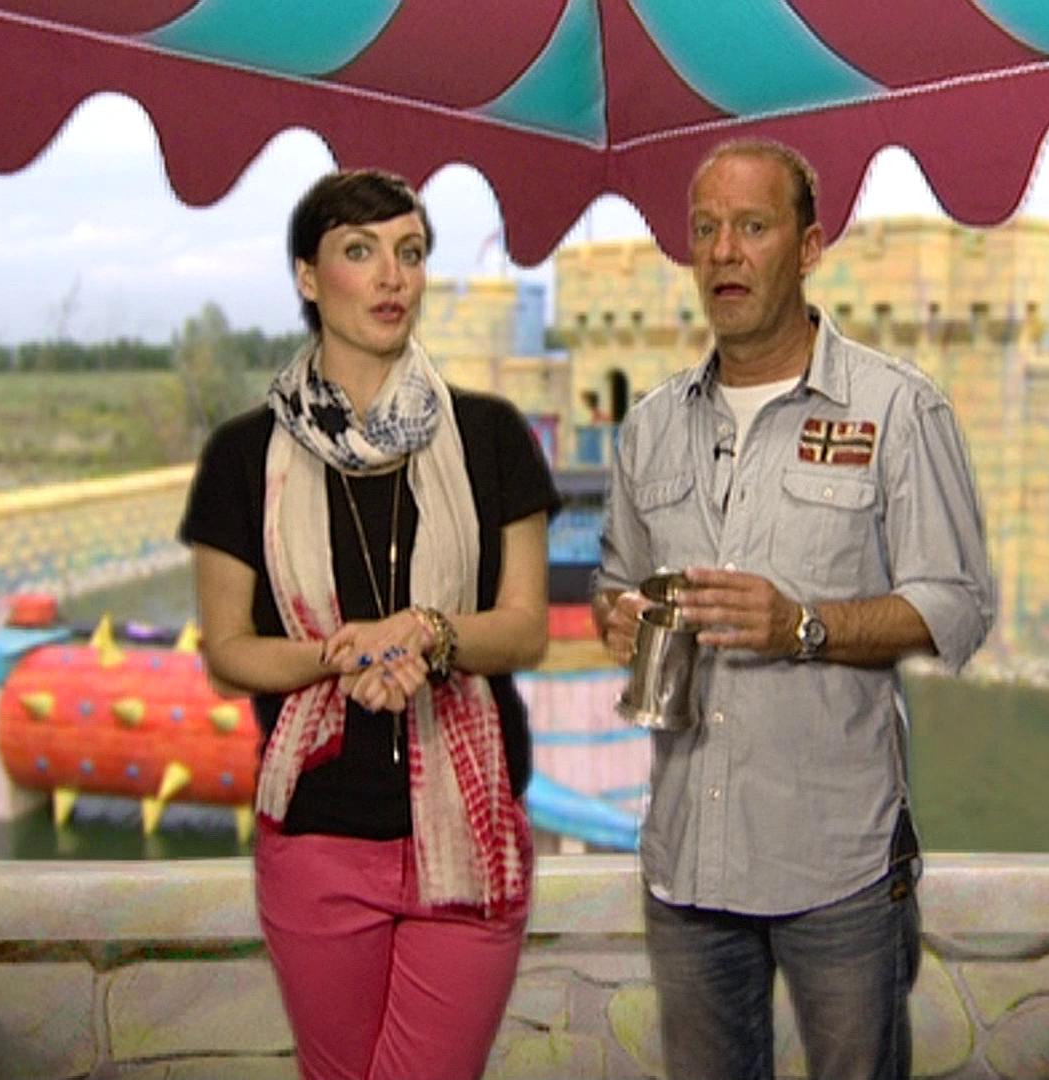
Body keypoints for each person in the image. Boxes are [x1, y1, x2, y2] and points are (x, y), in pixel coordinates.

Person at [592, 139, 996, 1078]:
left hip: (838, 871)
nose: (723, 252)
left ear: (809, 248)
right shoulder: (651, 426)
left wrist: (801, 627)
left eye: (752, 227)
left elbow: (957, 606)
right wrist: (619, 617)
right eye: (705, 229)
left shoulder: (898, 410)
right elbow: (619, 578)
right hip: (688, 866)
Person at [179, 168, 560, 1080]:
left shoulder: (492, 436)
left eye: (410, 253)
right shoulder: (242, 456)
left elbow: (524, 630)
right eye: (361, 252)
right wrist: (336, 655)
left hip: (469, 837)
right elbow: (228, 654)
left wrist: (430, 633)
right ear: (309, 277)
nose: (393, 277)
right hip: (319, 838)